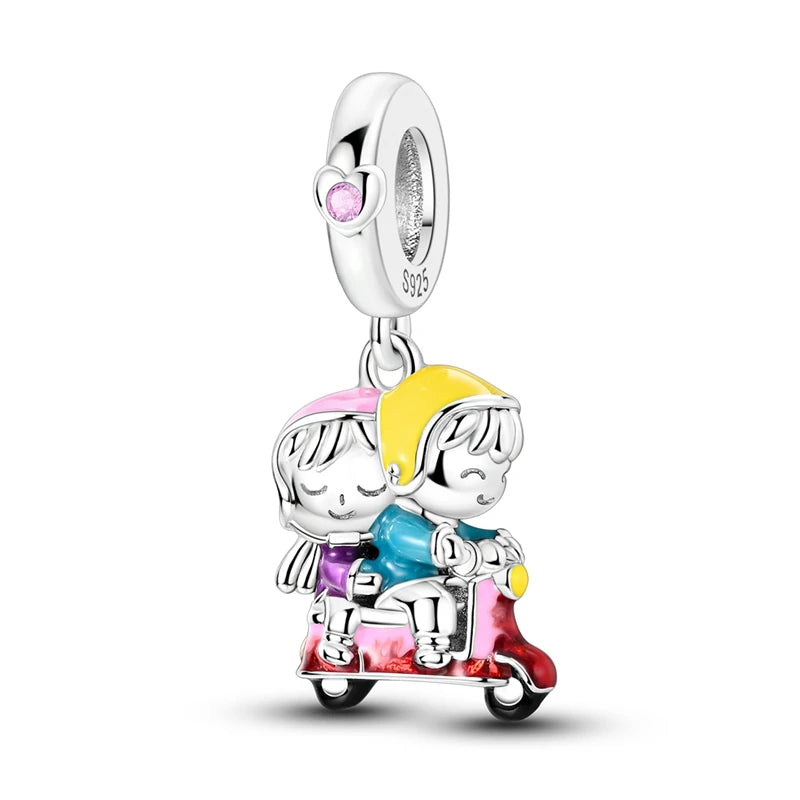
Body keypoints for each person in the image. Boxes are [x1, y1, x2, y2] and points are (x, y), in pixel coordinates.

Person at [350, 365, 526, 668]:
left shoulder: (446, 520)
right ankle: (432, 647)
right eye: (472, 475)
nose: (486, 492)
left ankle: (469, 646)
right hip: (396, 586)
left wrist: (495, 539)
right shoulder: (395, 520)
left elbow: (466, 533)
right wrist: (440, 546)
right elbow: (410, 539)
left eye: (499, 475)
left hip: (438, 580)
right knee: (435, 598)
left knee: (458, 596)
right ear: (405, 467)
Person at [272, 387, 392, 666]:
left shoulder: (393, 528)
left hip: (386, 596)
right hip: (338, 597)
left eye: (369, 489)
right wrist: (350, 580)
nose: (341, 501)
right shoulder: (336, 541)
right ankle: (334, 646)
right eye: (315, 490)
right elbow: (330, 568)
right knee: (340, 609)